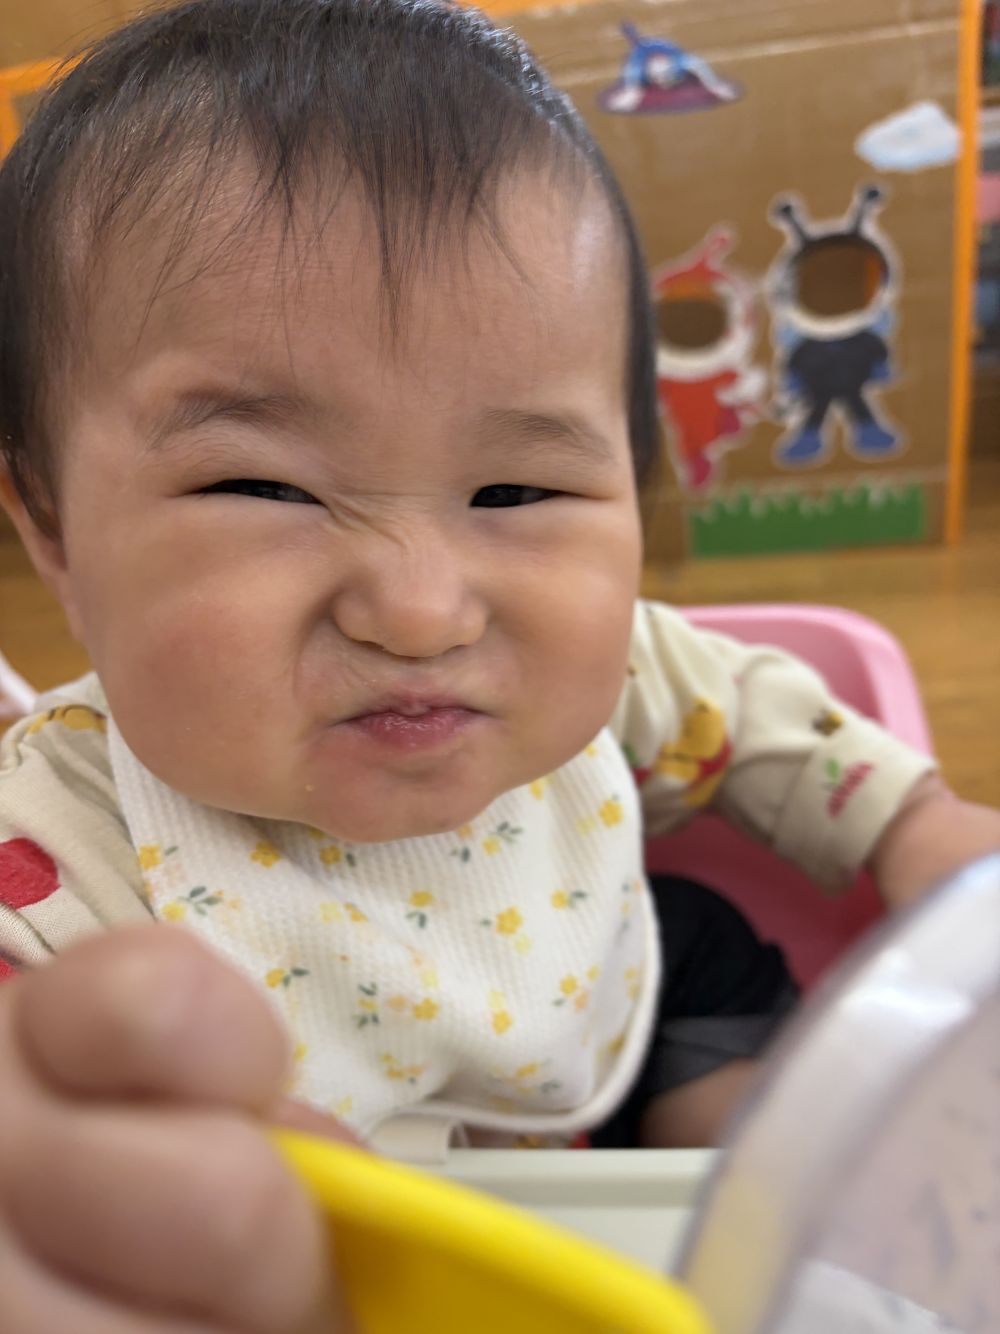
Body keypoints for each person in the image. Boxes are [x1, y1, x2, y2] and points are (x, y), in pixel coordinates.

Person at [0, 0, 997, 1327]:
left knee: (712, 964)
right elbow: (50, 1079)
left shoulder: (619, 668)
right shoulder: (57, 852)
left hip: (607, 1017)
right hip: (384, 1248)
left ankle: (767, 1220)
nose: (421, 608)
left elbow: (762, 721)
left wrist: (913, 821)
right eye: (263, 485)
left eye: (518, 488)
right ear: (54, 529)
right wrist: (188, 1151)